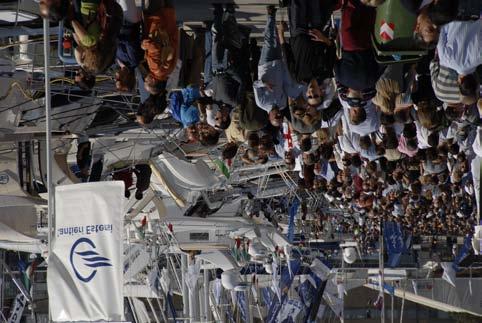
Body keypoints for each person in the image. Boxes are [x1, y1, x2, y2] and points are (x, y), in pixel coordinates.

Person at [253, 7, 304, 116]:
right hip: (279, 65)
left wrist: (264, 84)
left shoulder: (261, 103)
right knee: (274, 40)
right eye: (280, 117)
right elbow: (285, 84)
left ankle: (271, 15)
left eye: (276, 117)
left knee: (269, 41)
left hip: (265, 66)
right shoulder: (282, 104)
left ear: (270, 117)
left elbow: (254, 85)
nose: (278, 115)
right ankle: (272, 20)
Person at [279, 0, 338, 84]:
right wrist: (323, 38)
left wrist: (280, 32)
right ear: (321, 93)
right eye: (315, 95)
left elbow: (286, 54)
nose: (311, 92)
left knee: (297, 4)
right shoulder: (326, 73)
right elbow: (332, 48)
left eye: (309, 96)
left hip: (298, 32)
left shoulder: (297, 78)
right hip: (317, 28)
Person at [142, 0, 178, 94]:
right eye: (146, 81)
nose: (145, 79)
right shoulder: (155, 69)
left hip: (169, 21)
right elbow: (154, 48)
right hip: (157, 22)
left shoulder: (168, 71)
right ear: (153, 81)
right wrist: (144, 46)